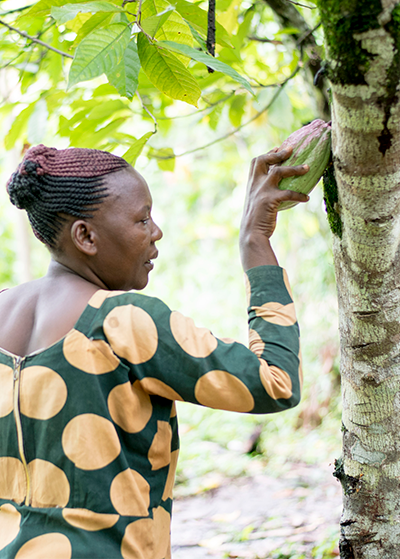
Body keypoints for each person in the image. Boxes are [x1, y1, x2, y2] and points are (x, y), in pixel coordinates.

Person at [0, 143, 309, 559]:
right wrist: (255, 242)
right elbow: (277, 382)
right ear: (85, 236)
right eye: (141, 218)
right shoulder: (122, 320)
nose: (156, 231)